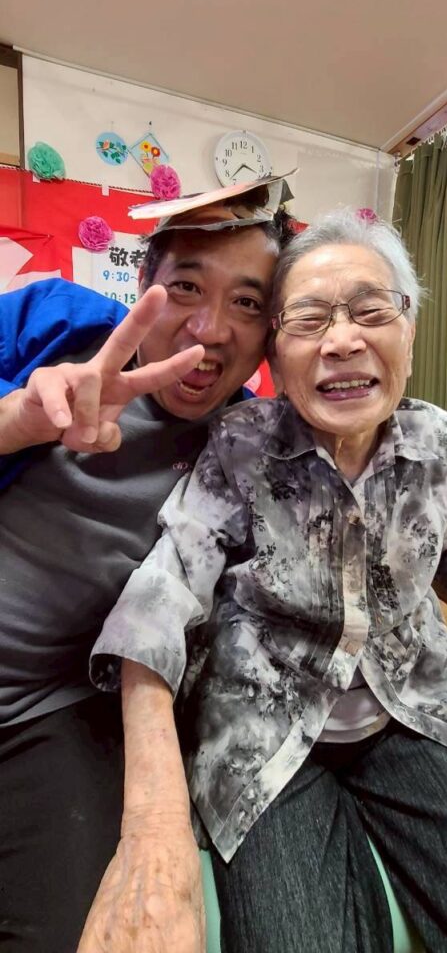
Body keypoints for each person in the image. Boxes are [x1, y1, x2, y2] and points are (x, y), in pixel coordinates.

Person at [93, 208, 447, 953]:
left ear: (410, 330)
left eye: (370, 311)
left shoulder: (439, 443)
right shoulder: (242, 444)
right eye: (309, 319)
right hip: (264, 734)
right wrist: (152, 821)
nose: (342, 340)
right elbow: (165, 588)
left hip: (414, 711)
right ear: (277, 353)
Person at [0, 176, 292, 953]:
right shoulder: (55, 326)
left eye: (246, 303)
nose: (209, 329)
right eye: (186, 287)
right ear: (142, 284)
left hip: (45, 713)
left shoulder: (245, 448)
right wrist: (18, 420)